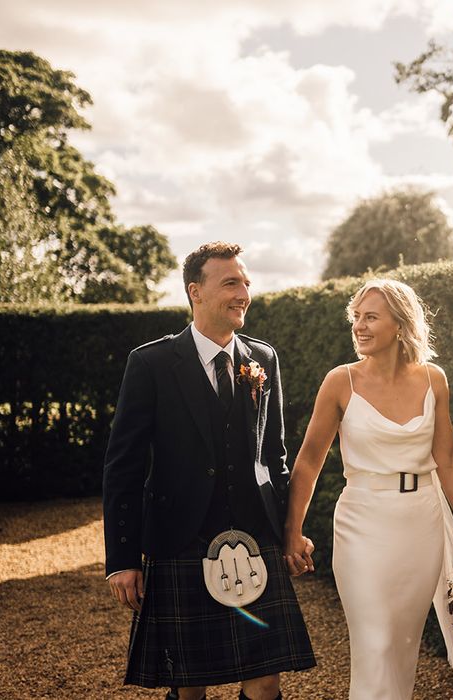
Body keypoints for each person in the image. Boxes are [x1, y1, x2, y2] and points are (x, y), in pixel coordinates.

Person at [103, 242, 316, 700]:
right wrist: (122, 559)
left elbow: (274, 456)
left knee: (265, 678)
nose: (243, 293)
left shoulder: (263, 358)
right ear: (195, 292)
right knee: (189, 684)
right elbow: (123, 466)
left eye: (246, 282)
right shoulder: (151, 363)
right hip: (181, 537)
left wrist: (290, 531)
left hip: (256, 535)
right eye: (231, 283)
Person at [283, 279, 453, 699]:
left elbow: (448, 462)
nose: (359, 326)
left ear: (400, 324)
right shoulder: (339, 382)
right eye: (356, 318)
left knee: (401, 645)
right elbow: (308, 461)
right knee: (376, 641)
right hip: (361, 522)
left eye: (370, 317)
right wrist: (292, 531)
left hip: (421, 523)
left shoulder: (434, 380)